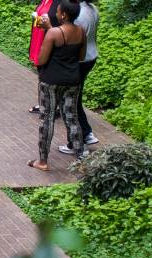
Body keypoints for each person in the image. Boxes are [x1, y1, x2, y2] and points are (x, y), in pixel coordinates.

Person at [28, 0, 86, 171]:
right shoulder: (81, 32)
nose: (56, 13)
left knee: (47, 118)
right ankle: (81, 159)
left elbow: (42, 59)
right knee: (72, 117)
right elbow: (81, 57)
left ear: (64, 15)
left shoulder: (53, 33)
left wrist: (49, 30)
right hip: (72, 80)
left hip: (50, 80)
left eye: (58, 12)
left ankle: (43, 161)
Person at [60, 0, 101, 154]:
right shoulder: (93, 9)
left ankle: (78, 140)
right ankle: (86, 133)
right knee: (76, 98)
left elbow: (73, 39)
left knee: (70, 100)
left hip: (79, 60)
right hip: (90, 56)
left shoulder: (79, 14)